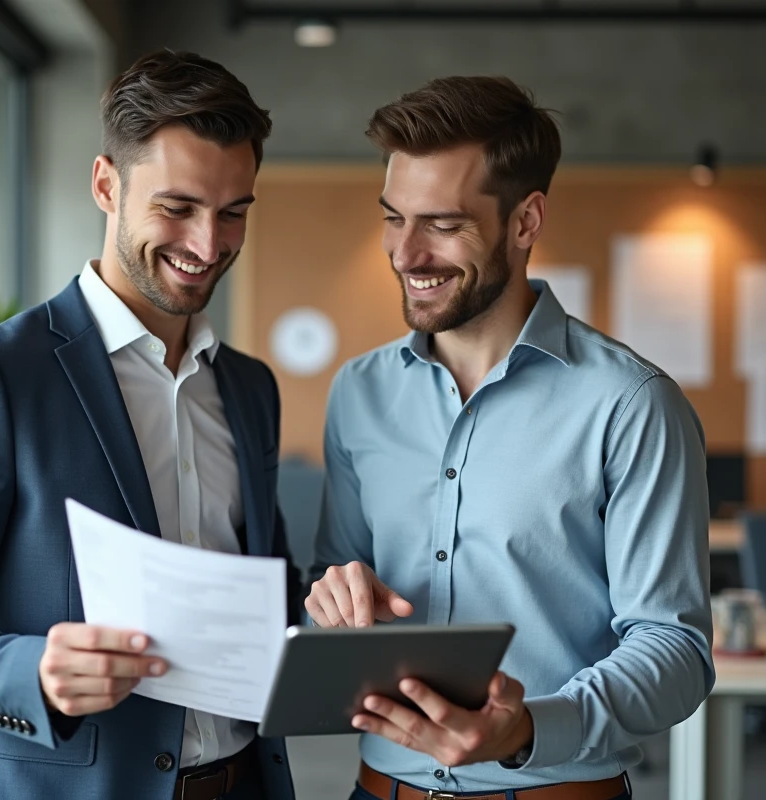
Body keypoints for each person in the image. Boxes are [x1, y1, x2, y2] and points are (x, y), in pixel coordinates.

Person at [0, 50, 299, 800]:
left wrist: (328, 605)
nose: (207, 244)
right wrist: (31, 672)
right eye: (177, 207)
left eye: (233, 212)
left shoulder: (250, 388)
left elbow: (268, 595)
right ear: (107, 184)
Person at [306, 76, 714, 800]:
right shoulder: (358, 393)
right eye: (394, 218)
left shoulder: (631, 404)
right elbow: (336, 582)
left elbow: (675, 649)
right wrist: (333, 598)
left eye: (442, 224)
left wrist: (529, 728)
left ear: (525, 222)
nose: (406, 253)